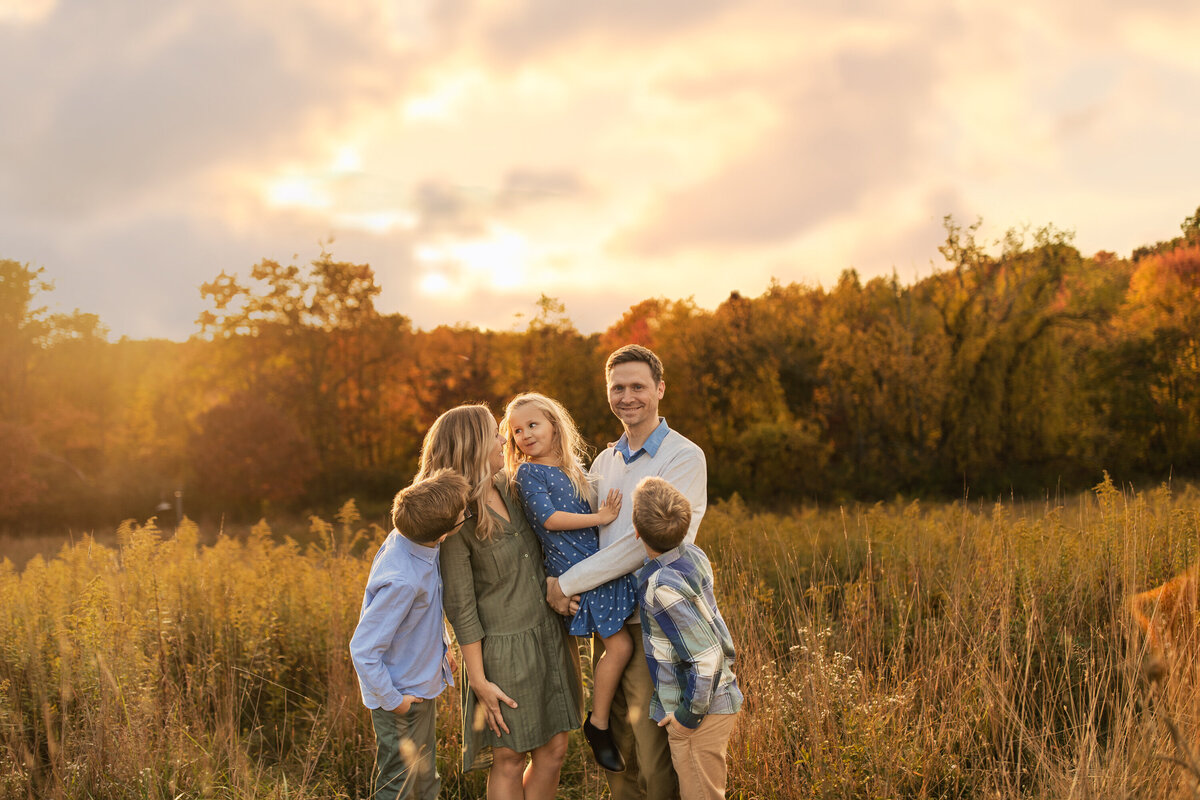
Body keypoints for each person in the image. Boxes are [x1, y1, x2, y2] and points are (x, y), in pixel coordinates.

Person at [546, 344, 707, 800]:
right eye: (618, 387)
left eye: (638, 386)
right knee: (617, 749)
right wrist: (558, 585)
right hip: (608, 621)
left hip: (653, 620)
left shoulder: (683, 456)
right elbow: (584, 537)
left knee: (652, 752)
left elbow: (644, 544)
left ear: (660, 389)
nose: (627, 396)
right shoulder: (605, 462)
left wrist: (567, 584)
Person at [431, 404, 584, 800]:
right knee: (510, 759)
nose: (504, 440)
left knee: (555, 750)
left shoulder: (514, 486)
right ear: (471, 446)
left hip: (550, 637)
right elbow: (460, 607)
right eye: (493, 434)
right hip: (503, 654)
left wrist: (560, 587)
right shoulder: (455, 518)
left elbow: (548, 549)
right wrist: (479, 680)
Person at [502, 392, 633, 773]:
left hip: (597, 566)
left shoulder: (572, 467)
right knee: (621, 646)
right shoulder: (529, 473)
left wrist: (616, 458)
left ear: (554, 425)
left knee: (620, 645)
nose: (525, 435)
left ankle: (608, 720)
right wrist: (600, 518)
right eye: (517, 431)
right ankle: (598, 724)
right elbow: (549, 519)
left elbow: (597, 492)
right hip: (576, 570)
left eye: (533, 425)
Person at [349, 467, 472, 800]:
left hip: (417, 684)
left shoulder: (412, 541)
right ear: (443, 534)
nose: (466, 516)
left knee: (424, 776)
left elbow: (424, 612)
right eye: (464, 515)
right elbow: (363, 649)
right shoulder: (402, 580)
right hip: (400, 695)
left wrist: (443, 646)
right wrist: (395, 702)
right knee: (398, 784)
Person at [633, 476, 742, 800]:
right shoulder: (692, 553)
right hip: (713, 701)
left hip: (701, 712)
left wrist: (686, 719)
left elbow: (707, 658)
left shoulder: (662, 587)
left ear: (636, 532)